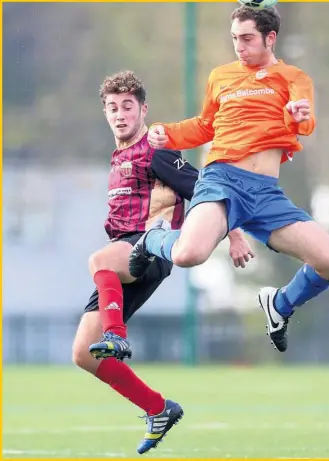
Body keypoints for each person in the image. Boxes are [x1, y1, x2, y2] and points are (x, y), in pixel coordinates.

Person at [129, 6, 329, 354]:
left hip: (266, 193)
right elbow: (204, 126)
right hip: (223, 180)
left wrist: (297, 114)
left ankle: (280, 305)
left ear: (270, 38)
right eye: (234, 39)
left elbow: (304, 119)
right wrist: (166, 133)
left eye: (247, 39)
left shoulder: (293, 77)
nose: (239, 46)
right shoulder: (221, 76)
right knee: (188, 254)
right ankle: (152, 239)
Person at [71, 70, 253, 455]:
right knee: (84, 354)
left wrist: (234, 233)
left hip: (152, 248)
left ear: (143, 109)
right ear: (104, 112)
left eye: (127, 107)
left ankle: (117, 336)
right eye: (112, 108)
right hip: (122, 255)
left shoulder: (156, 150)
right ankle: (159, 408)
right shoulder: (119, 153)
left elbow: (207, 188)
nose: (120, 114)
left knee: (99, 259)